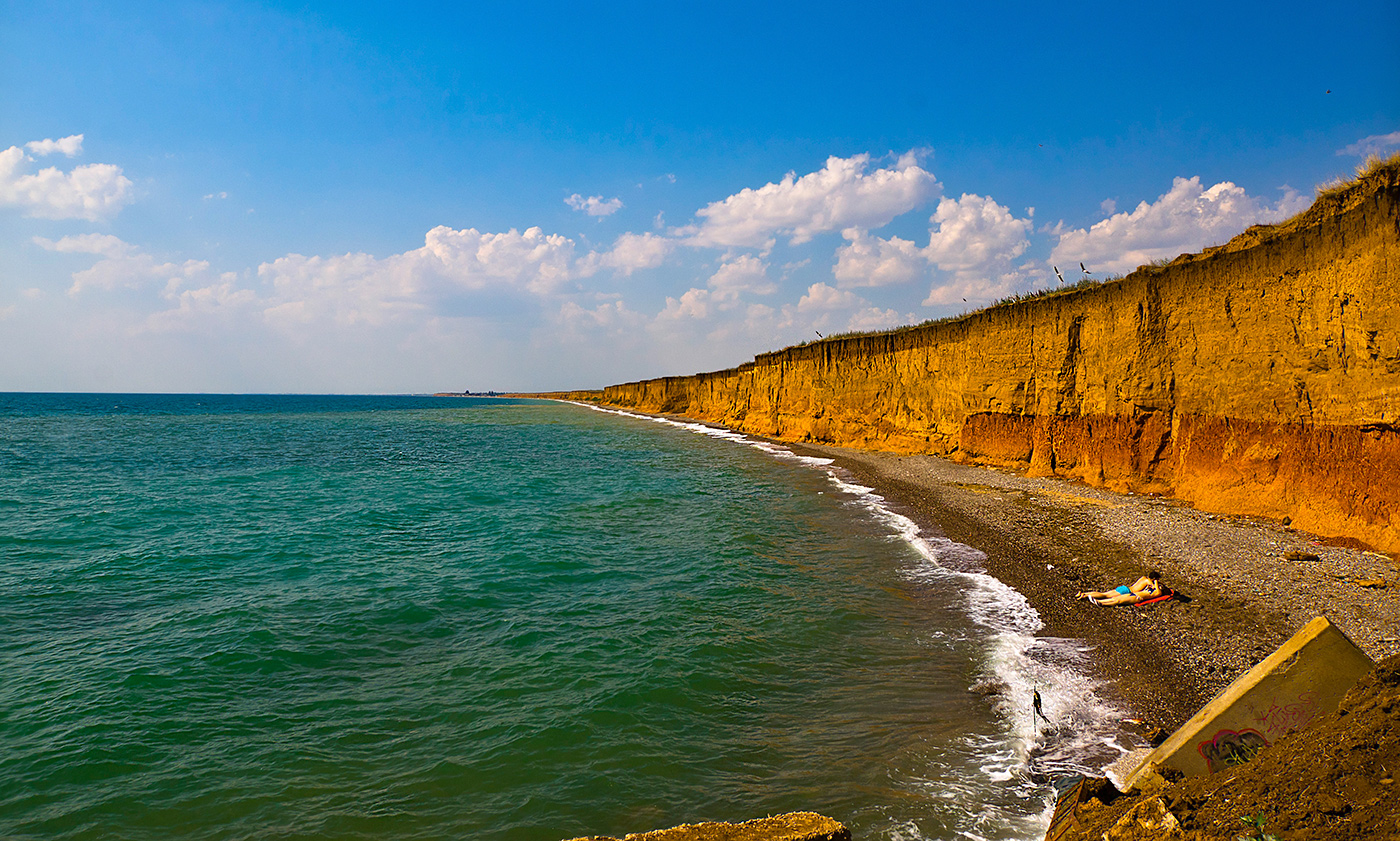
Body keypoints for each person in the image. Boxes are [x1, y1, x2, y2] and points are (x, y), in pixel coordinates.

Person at [1076, 570, 1162, 605]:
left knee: (1104, 594)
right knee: (1105, 596)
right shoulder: (1149, 582)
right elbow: (1155, 589)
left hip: (1125, 588)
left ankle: (1084, 594)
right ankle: (1088, 597)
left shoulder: (1143, 578)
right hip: (1127, 591)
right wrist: (1157, 583)